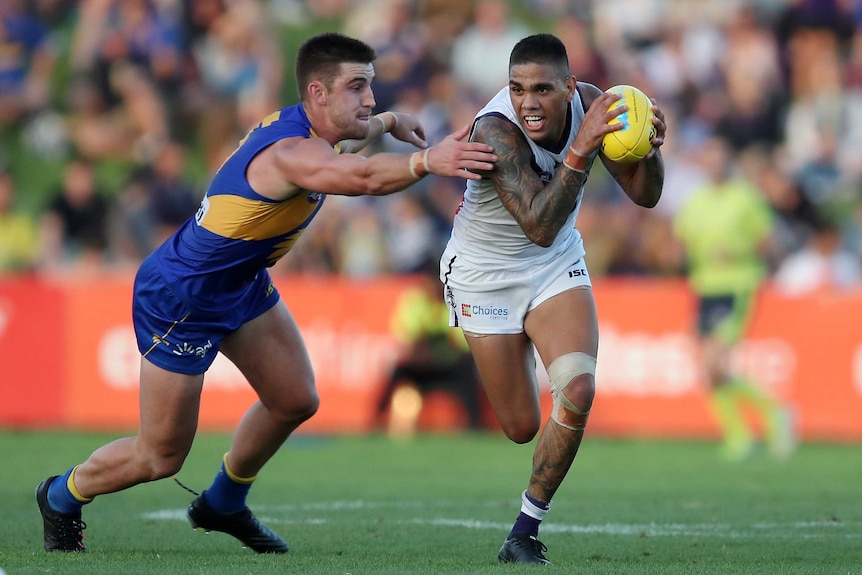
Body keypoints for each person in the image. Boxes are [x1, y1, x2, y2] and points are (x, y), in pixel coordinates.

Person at [35, 31, 496, 554]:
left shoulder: (310, 127)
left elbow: (345, 147)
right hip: (183, 296)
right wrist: (427, 160)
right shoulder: (292, 152)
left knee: (294, 398)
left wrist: (389, 122)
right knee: (159, 457)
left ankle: (224, 502)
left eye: (371, 86)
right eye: (358, 88)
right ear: (318, 94)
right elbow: (362, 176)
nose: (370, 99)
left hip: (240, 282)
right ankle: (61, 494)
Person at [439, 34, 665, 565]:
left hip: (553, 263)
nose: (529, 102)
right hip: (484, 274)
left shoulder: (592, 103)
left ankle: (523, 530)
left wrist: (649, 149)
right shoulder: (494, 129)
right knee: (520, 427)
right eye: (517, 89)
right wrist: (583, 146)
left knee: (578, 389)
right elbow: (537, 222)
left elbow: (646, 195)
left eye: (542, 89)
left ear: (569, 87)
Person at [673, 136, 795, 462]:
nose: (714, 164)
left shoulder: (746, 197)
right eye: (708, 158)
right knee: (707, 368)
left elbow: (769, 242)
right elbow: (681, 243)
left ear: (727, 161)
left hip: (737, 285)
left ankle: (775, 411)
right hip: (704, 286)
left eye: (718, 157)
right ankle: (739, 435)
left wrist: (738, 252)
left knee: (715, 362)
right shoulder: (695, 201)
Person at [373, 258, 483, 436]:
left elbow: (463, 345)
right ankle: (376, 420)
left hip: (449, 366)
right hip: (423, 367)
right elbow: (409, 342)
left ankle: (475, 423)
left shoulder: (456, 301)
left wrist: (431, 346)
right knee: (399, 370)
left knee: (467, 368)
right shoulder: (415, 300)